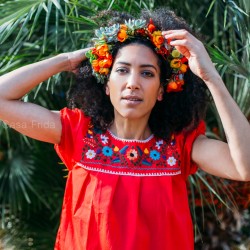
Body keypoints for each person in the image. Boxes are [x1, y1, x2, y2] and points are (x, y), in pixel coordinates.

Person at [0, 8, 249, 250]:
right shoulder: (77, 132)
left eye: (147, 74)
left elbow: (244, 167)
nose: (133, 83)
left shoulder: (181, 146)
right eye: (121, 70)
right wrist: (66, 61)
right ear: (106, 84)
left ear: (162, 90)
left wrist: (210, 77)